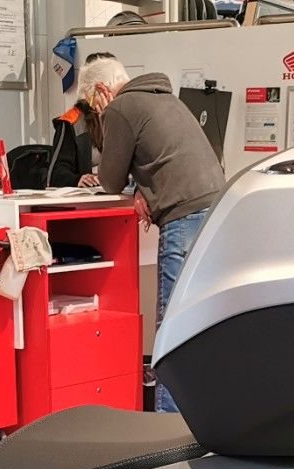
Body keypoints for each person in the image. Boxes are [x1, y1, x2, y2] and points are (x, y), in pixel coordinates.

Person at [78, 55, 225, 413]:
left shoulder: (120, 108)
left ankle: (166, 422)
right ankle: (198, 415)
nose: (95, 113)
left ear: (102, 90)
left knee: (170, 325)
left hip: (183, 214)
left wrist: (130, 183)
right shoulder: (165, 98)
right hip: (215, 211)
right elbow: (158, 158)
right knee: (195, 324)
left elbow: (110, 180)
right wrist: (142, 188)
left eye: (92, 106)